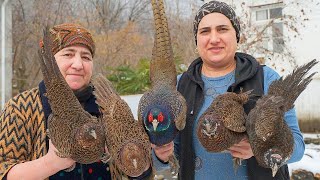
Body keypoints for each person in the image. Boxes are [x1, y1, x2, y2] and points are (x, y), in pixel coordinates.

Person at [152, 1, 305, 180]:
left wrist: (260, 148)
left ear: (237, 35)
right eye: (205, 31)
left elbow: (298, 147)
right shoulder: (179, 86)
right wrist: (161, 156)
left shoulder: (267, 78)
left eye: (223, 29)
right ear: (197, 40)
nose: (214, 38)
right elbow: (168, 160)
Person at [0, 23, 151, 180]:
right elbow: (3, 170)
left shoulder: (108, 109)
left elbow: (139, 173)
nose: (78, 65)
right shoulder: (21, 107)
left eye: (86, 57)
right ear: (51, 60)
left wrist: (144, 162)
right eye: (68, 54)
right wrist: (51, 163)